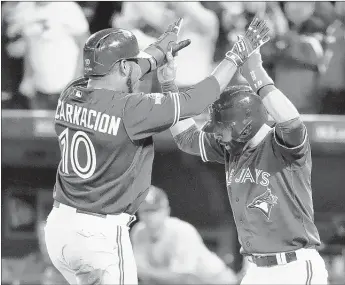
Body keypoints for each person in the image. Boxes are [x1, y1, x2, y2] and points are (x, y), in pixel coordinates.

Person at [44, 17, 269, 285]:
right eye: (131, 64)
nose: (137, 71)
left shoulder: (71, 93)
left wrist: (158, 52)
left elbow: (124, 68)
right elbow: (197, 100)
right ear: (124, 66)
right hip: (97, 234)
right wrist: (235, 55)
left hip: (59, 230)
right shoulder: (130, 109)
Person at [170, 17, 329, 284]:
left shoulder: (284, 146)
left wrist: (254, 69)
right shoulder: (231, 147)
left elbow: (291, 121)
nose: (217, 133)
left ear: (245, 125)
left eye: (222, 127)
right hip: (255, 269)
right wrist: (167, 86)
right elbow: (186, 138)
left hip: (294, 267)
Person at [131, 185, 237, 285]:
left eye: (155, 210)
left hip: (216, 281)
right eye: (146, 211)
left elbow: (182, 278)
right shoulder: (138, 232)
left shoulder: (182, 231)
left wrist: (144, 272)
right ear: (139, 213)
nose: (151, 216)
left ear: (166, 211)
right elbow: (143, 275)